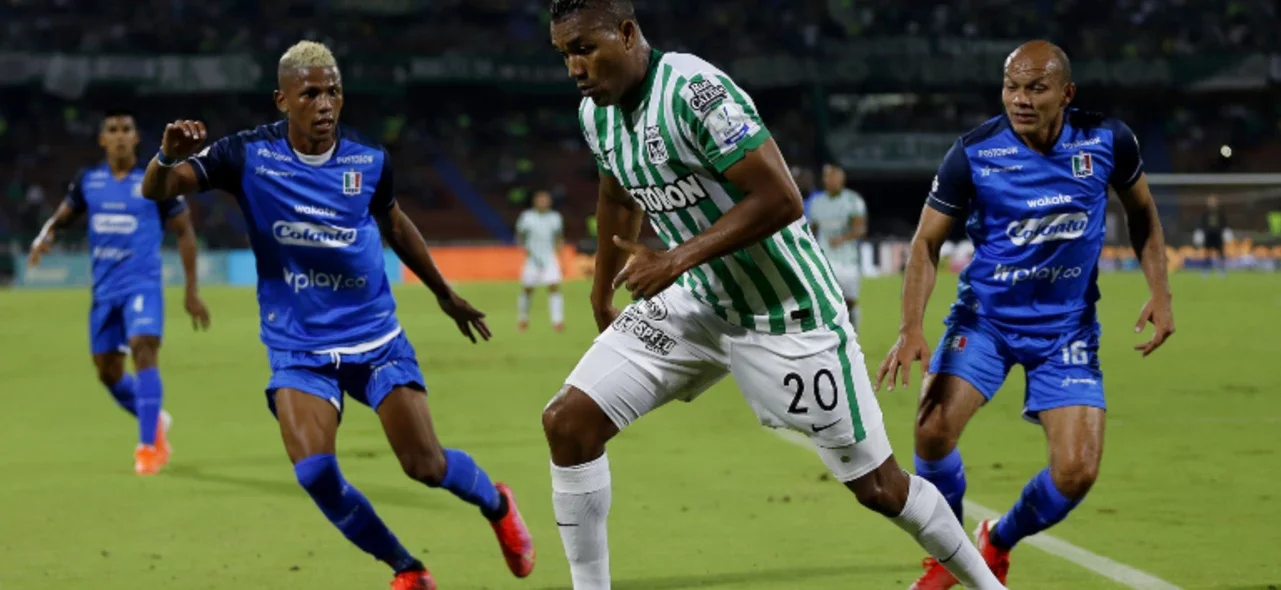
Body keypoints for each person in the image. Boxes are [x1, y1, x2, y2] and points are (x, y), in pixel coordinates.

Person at [543, 2, 1005, 589]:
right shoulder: (597, 115)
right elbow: (617, 194)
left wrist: (675, 257)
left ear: (628, 33)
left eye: (585, 48)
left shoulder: (695, 90)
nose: (575, 69)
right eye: (565, 55)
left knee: (879, 487)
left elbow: (782, 198)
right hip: (698, 302)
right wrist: (600, 291)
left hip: (787, 313)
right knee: (568, 423)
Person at [137, 41, 534, 590]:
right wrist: (166, 156)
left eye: (333, 92)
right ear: (283, 100)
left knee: (425, 466)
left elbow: (395, 225)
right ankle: (408, 569)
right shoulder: (246, 155)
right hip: (298, 347)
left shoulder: (369, 160)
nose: (325, 104)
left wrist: (444, 292)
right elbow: (157, 190)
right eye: (311, 94)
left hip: (376, 339)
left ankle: (496, 503)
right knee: (316, 473)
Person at [876, 41, 1175, 589]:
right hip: (985, 320)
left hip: (1066, 330)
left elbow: (1143, 214)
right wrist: (910, 327)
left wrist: (1161, 291)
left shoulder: (1108, 140)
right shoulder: (973, 153)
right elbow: (925, 243)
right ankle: (950, 555)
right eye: (1012, 86)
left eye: (1035, 88)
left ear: (1067, 93)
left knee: (1077, 472)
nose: (1020, 98)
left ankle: (998, 540)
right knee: (931, 432)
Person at [28, 107, 210, 476]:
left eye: (127, 128)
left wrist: (191, 291)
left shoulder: (154, 181)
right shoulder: (88, 182)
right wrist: (44, 236)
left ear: (136, 137)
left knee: (144, 348)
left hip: (142, 285)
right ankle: (154, 417)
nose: (121, 135)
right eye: (113, 129)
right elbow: (62, 218)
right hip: (104, 292)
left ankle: (149, 447)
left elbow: (185, 231)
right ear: (102, 139)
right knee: (108, 372)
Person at [806, 163, 868, 330]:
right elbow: (811, 230)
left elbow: (860, 230)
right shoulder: (816, 203)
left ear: (841, 178)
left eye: (832, 175)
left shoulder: (853, 200)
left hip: (848, 260)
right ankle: (829, 335)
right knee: (824, 301)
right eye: (826, 176)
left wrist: (842, 238)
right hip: (825, 259)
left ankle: (853, 333)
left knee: (850, 301)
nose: (829, 179)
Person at [517, 189, 567, 331]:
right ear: (535, 201)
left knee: (553, 287)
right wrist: (523, 248)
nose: (543, 203)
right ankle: (523, 319)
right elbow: (520, 234)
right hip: (532, 259)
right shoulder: (527, 217)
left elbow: (558, 238)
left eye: (545, 200)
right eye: (540, 200)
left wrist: (560, 257)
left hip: (549, 258)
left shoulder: (555, 217)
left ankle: (557, 321)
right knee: (527, 289)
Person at [1197, 194, 1228, 276]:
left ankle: (1221, 269)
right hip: (1208, 235)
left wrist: (1224, 232)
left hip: (1218, 235)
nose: (1212, 203)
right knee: (1207, 253)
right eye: (1210, 201)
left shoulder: (1220, 213)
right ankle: (1206, 269)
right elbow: (1202, 224)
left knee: (1220, 253)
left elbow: (1224, 224)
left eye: (1214, 201)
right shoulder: (1205, 213)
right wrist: (1201, 233)